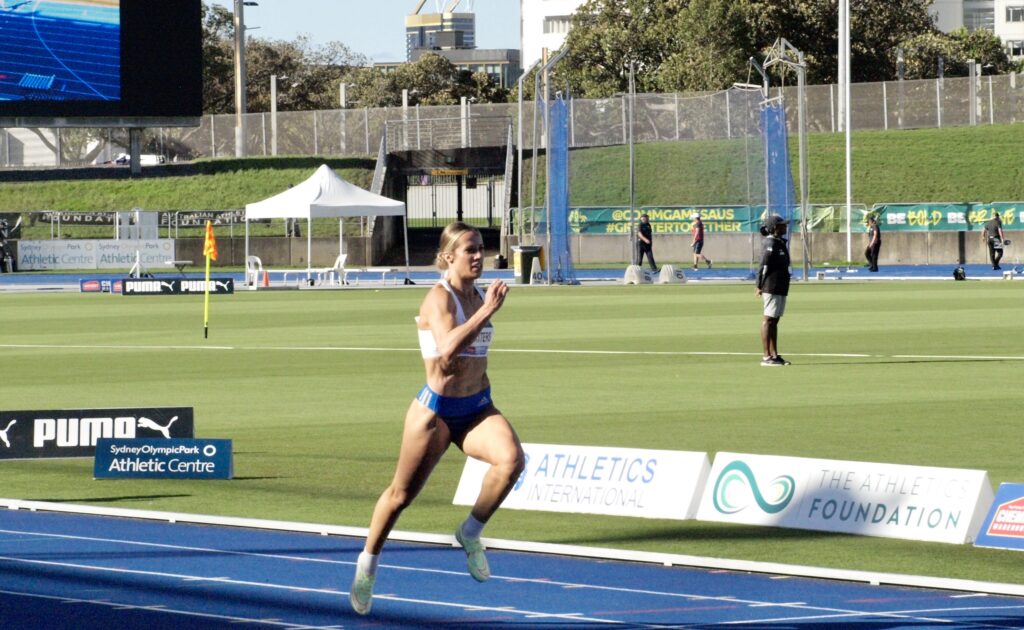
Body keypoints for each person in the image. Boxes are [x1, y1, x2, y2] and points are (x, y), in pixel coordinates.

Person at [349, 221, 525, 616]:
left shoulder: (478, 293)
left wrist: (485, 307)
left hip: (478, 407)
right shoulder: (438, 298)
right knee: (400, 496)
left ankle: (470, 532)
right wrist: (487, 312)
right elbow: (446, 352)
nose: (480, 255)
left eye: (481, 247)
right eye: (470, 250)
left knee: (512, 460)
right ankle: (367, 565)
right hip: (437, 411)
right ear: (448, 257)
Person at [755, 215, 792, 366]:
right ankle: (766, 356)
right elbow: (763, 265)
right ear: (775, 227)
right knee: (768, 319)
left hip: (781, 285)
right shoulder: (770, 243)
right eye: (782, 225)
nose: (785, 227)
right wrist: (759, 285)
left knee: (774, 320)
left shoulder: (779, 242)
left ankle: (774, 354)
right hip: (772, 285)